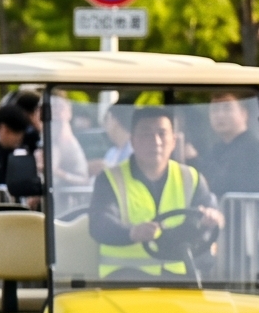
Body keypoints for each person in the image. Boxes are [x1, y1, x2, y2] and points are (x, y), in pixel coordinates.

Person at [93, 108, 222, 278]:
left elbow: (203, 217)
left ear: (174, 141)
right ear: (133, 141)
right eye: (146, 134)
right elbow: (100, 224)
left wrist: (211, 220)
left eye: (162, 133)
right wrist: (131, 233)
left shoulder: (191, 178)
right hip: (124, 277)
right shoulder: (110, 179)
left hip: (179, 274)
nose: (156, 141)